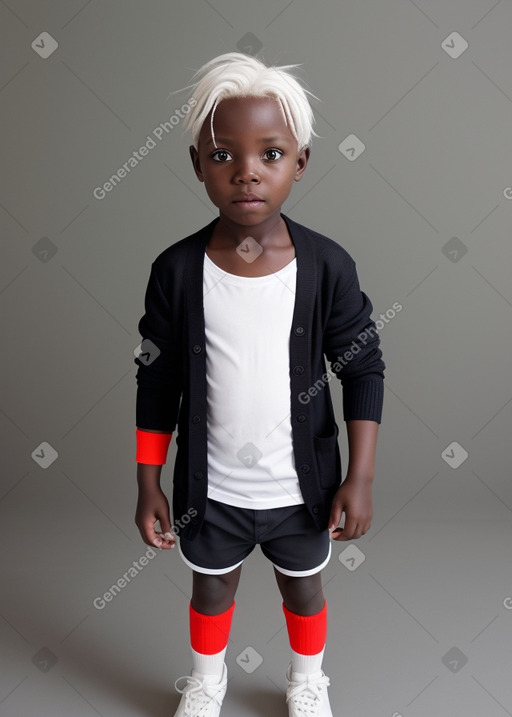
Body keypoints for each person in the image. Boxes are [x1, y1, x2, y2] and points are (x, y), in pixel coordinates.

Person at [134, 51, 385, 717]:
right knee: (210, 589)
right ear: (197, 165)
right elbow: (155, 380)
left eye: (270, 153)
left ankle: (307, 680)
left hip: (301, 489)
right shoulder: (177, 270)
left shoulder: (328, 266)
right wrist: (148, 480)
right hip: (209, 487)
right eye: (223, 155)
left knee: (303, 589)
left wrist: (358, 477)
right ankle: (207, 678)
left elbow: (361, 368)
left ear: (299, 162)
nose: (246, 170)